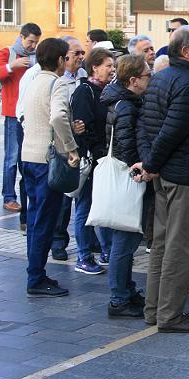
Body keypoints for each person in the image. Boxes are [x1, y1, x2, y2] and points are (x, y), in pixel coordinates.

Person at [135, 26, 189, 333]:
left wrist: (151, 164)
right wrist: (152, 163)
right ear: (185, 51)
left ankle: (155, 310)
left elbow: (146, 126)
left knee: (163, 245)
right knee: (181, 247)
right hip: (183, 175)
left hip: (166, 174)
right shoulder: (187, 83)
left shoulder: (162, 77)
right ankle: (170, 315)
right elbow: (172, 130)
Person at [21, 38, 80, 297]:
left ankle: (36, 272)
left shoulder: (34, 81)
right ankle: (35, 277)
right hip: (47, 159)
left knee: (35, 218)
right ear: (59, 60)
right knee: (45, 219)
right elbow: (57, 116)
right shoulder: (57, 83)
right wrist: (70, 146)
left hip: (29, 156)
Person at [99, 54, 151, 317]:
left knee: (126, 240)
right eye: (146, 76)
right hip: (126, 177)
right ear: (133, 80)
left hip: (124, 175)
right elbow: (126, 144)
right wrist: (139, 167)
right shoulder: (126, 106)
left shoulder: (121, 100)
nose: (150, 79)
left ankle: (126, 290)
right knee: (124, 240)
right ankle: (118, 298)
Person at [0, 23, 40, 224]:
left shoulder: (36, 57)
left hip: (31, 113)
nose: (33, 46)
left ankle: (27, 193)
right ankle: (8, 196)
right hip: (12, 113)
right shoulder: (7, 53)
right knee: (11, 157)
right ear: (21, 37)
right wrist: (11, 66)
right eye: (30, 41)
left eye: (36, 42)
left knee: (25, 157)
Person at [71, 47, 116, 274]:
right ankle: (83, 255)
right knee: (85, 207)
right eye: (108, 65)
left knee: (104, 205)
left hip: (105, 158)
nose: (112, 69)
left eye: (112, 65)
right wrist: (98, 153)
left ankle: (106, 250)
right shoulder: (85, 91)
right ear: (94, 67)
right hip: (91, 160)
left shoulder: (107, 91)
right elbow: (83, 128)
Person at [49, 37, 90, 260]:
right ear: (64, 58)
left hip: (80, 142)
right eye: (76, 54)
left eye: (82, 53)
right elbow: (54, 114)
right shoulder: (55, 80)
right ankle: (58, 241)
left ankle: (85, 241)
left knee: (79, 194)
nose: (80, 57)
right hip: (63, 145)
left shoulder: (82, 77)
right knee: (64, 196)